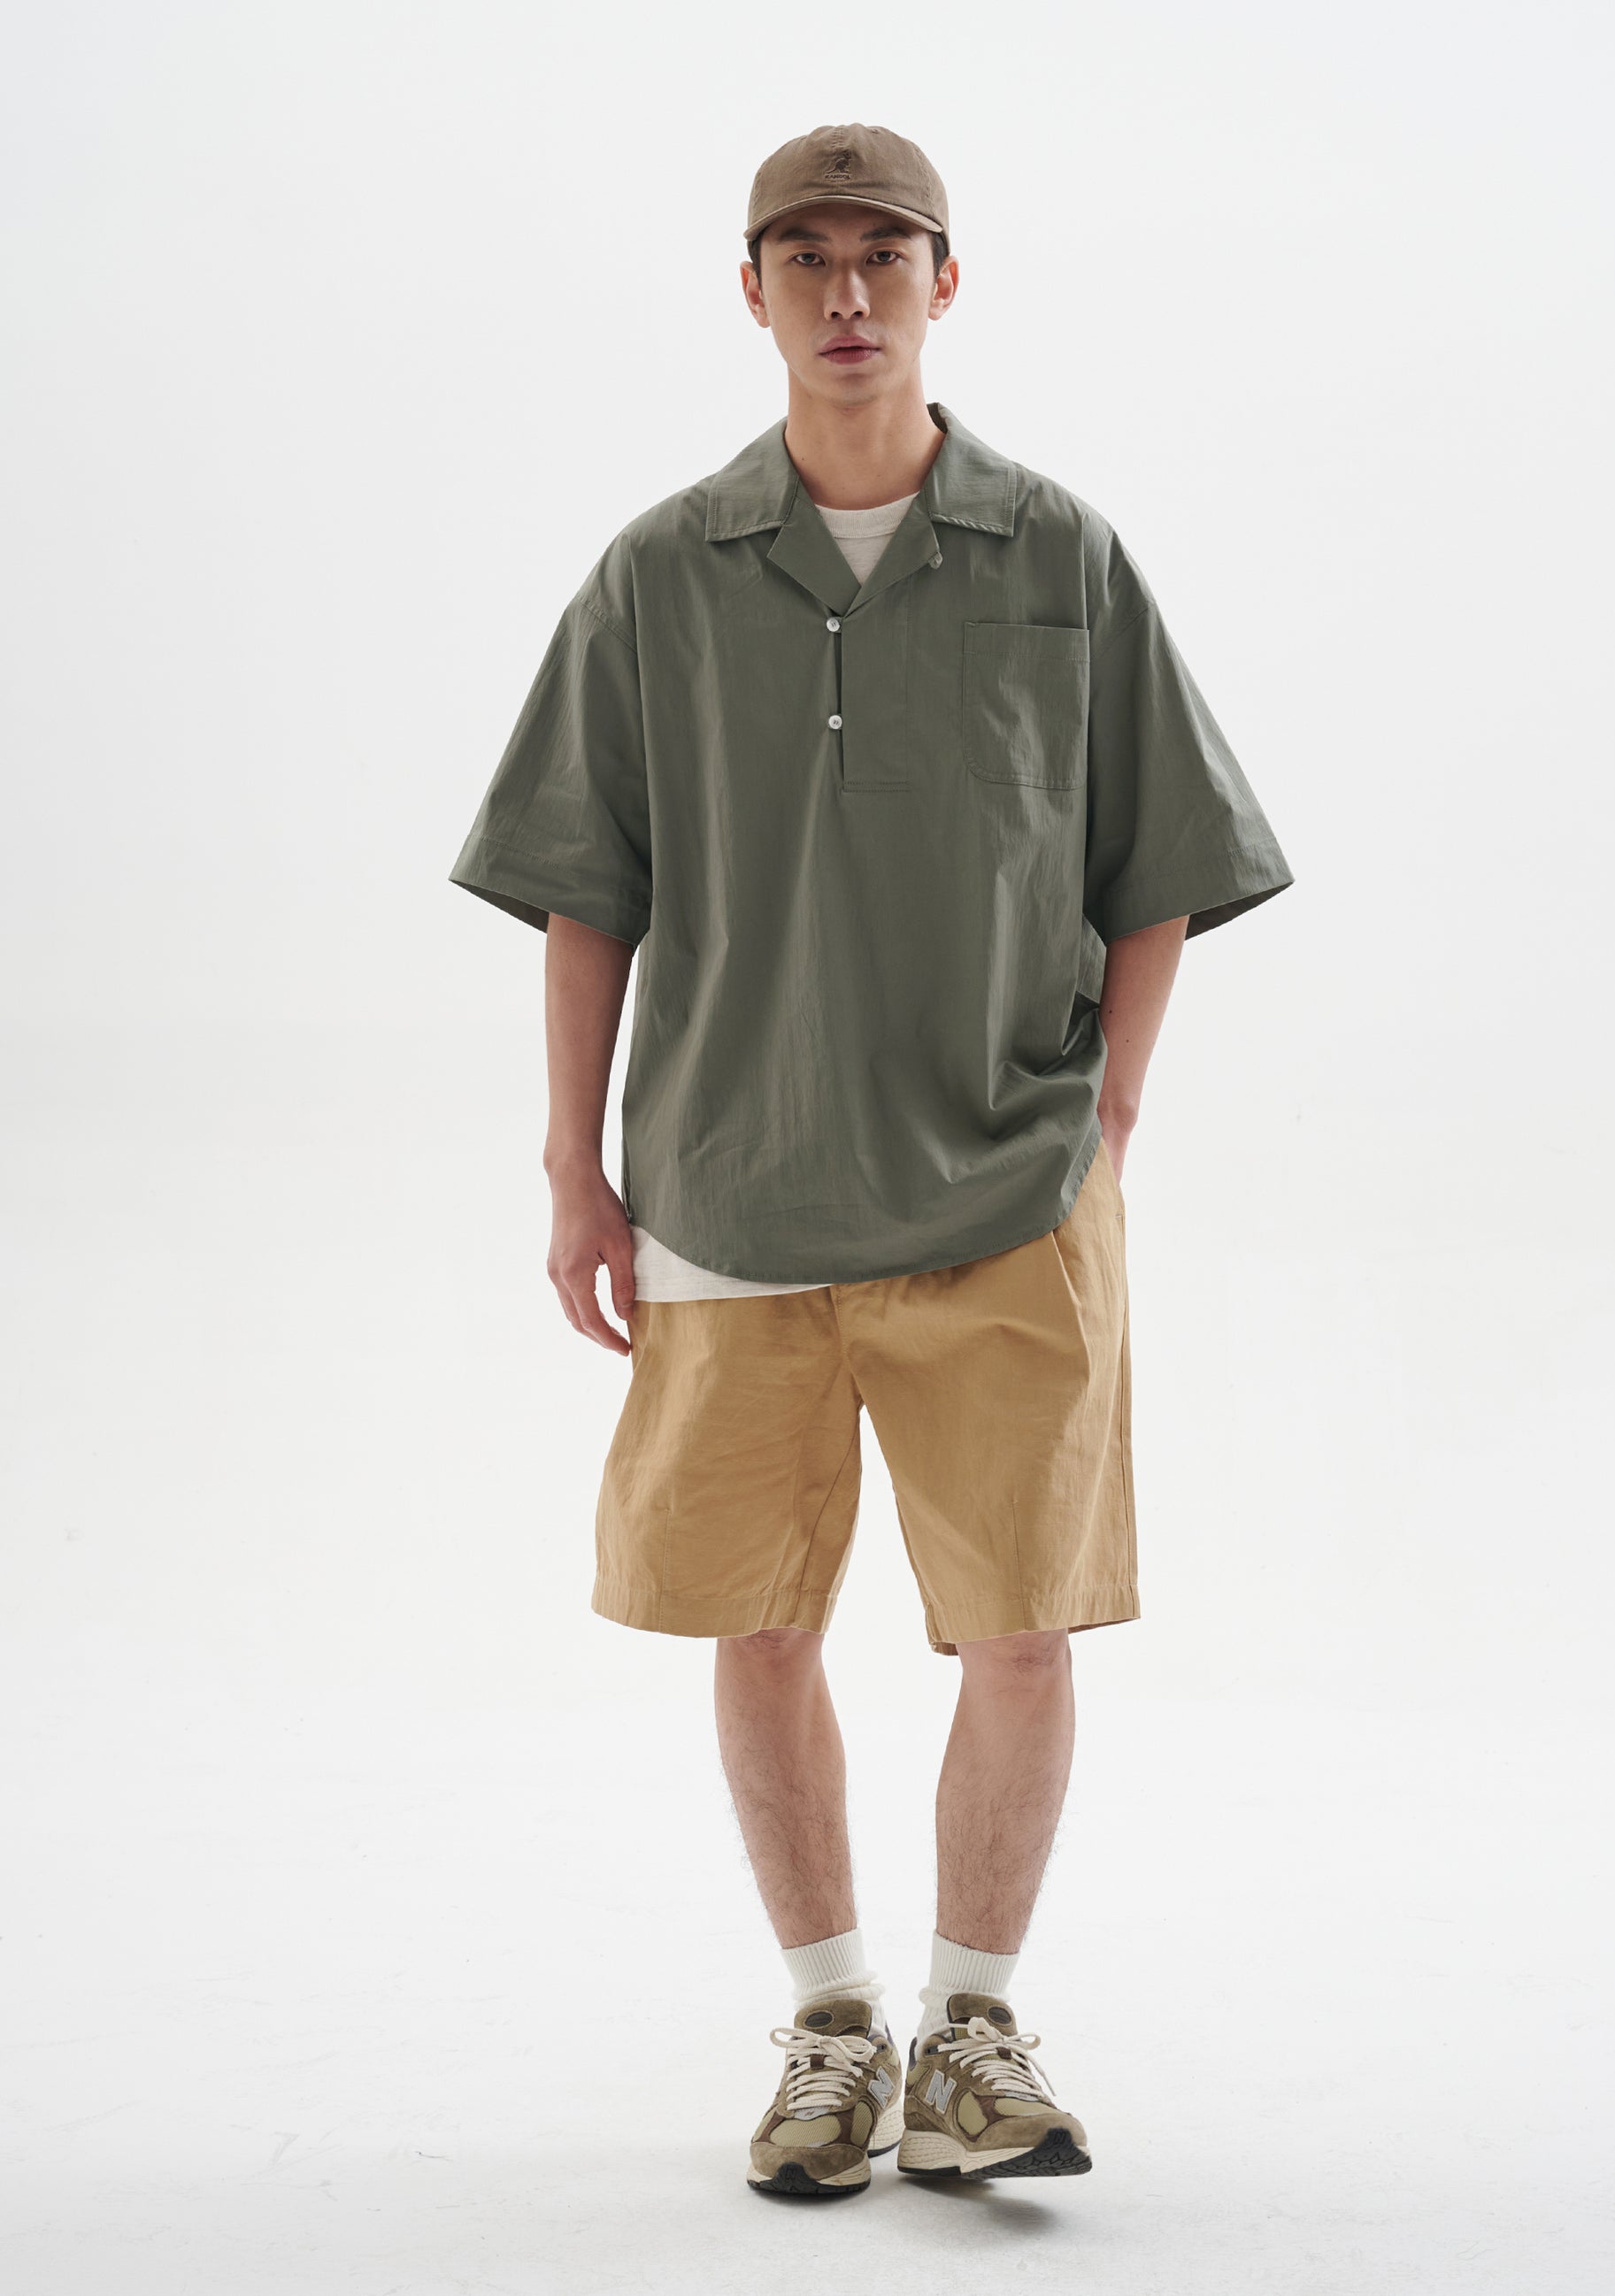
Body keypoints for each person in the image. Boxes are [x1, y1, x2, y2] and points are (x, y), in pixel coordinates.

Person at [450, 121, 1293, 2199]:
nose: (847, 294)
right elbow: (583, 889)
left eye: (885, 254)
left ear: (943, 281)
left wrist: (1107, 1116)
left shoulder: (1057, 556)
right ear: (750, 290)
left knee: (1021, 1625)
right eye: (806, 256)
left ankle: (973, 2028)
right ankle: (832, 2027)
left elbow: (1159, 862)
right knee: (756, 1618)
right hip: (730, 1182)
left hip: (1004, 1190)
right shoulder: (661, 574)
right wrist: (572, 1167)